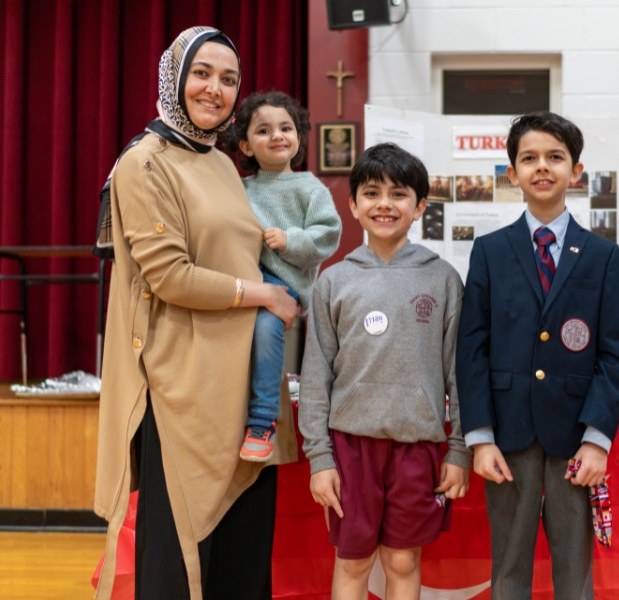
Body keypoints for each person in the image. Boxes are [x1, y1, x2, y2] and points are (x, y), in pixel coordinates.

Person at [93, 26, 299, 600]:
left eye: (229, 79)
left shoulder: (222, 164)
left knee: (242, 559)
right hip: (183, 386)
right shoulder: (145, 162)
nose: (215, 89)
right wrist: (265, 297)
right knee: (179, 561)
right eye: (202, 74)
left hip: (244, 388)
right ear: (175, 77)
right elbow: (170, 276)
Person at [455, 111, 619, 599]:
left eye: (555, 157)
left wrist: (598, 440)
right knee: (509, 565)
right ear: (512, 174)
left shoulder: (601, 256)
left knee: (573, 569)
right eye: (529, 158)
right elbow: (472, 348)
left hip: (574, 435)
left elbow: (614, 355)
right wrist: (479, 437)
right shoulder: (490, 251)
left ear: (576, 171)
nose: (542, 167)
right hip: (507, 434)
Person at [298, 142, 472, 600]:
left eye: (398, 194)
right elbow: (316, 377)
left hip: (419, 444)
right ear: (353, 205)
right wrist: (319, 459)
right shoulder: (334, 280)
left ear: (419, 207)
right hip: (350, 446)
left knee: (402, 560)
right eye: (372, 193)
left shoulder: (444, 279)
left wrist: (458, 450)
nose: (385, 205)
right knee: (352, 561)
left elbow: (461, 373)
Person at [225, 90, 342, 461]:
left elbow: (328, 235)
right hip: (243, 276)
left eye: (285, 128)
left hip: (283, 283)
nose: (277, 136)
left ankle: (262, 421)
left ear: (298, 137)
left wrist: (289, 240)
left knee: (264, 328)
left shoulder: (310, 187)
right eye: (263, 131)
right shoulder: (239, 188)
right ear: (245, 144)